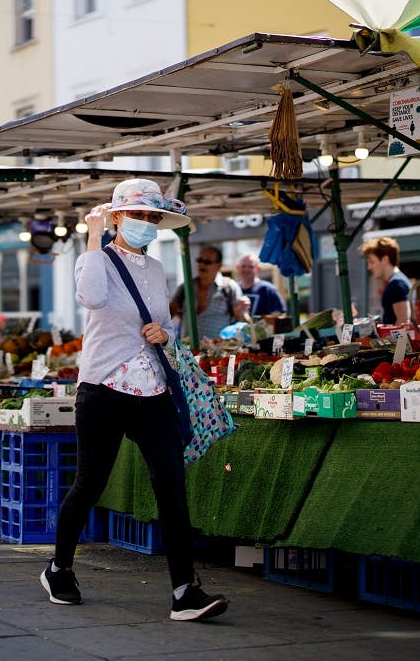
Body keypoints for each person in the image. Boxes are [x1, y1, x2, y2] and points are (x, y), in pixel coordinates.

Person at [41, 178, 228, 622]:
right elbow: (90, 297)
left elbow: (162, 323)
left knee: (172, 488)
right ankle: (58, 568)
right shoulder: (97, 259)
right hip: (103, 388)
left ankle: (185, 590)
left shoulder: (156, 267)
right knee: (89, 484)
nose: (145, 223)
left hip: (153, 389)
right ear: (118, 216)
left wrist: (165, 334)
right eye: (138, 215)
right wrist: (92, 234)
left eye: (152, 217)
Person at [170, 244, 247, 341]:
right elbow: (168, 314)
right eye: (200, 260)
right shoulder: (185, 287)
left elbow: (241, 322)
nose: (202, 265)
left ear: (219, 266)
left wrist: (241, 311)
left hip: (219, 353)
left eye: (207, 262)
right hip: (187, 353)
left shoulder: (230, 287)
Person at [360, 236, 411, 325]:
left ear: (385, 259)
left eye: (372, 261)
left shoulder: (396, 284)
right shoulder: (396, 282)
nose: (369, 267)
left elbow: (403, 322)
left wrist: (388, 339)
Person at [234, 253, 286, 319]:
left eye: (250, 267)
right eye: (243, 266)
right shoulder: (234, 289)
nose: (246, 269)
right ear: (238, 267)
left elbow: (278, 315)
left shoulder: (268, 290)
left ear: (258, 269)